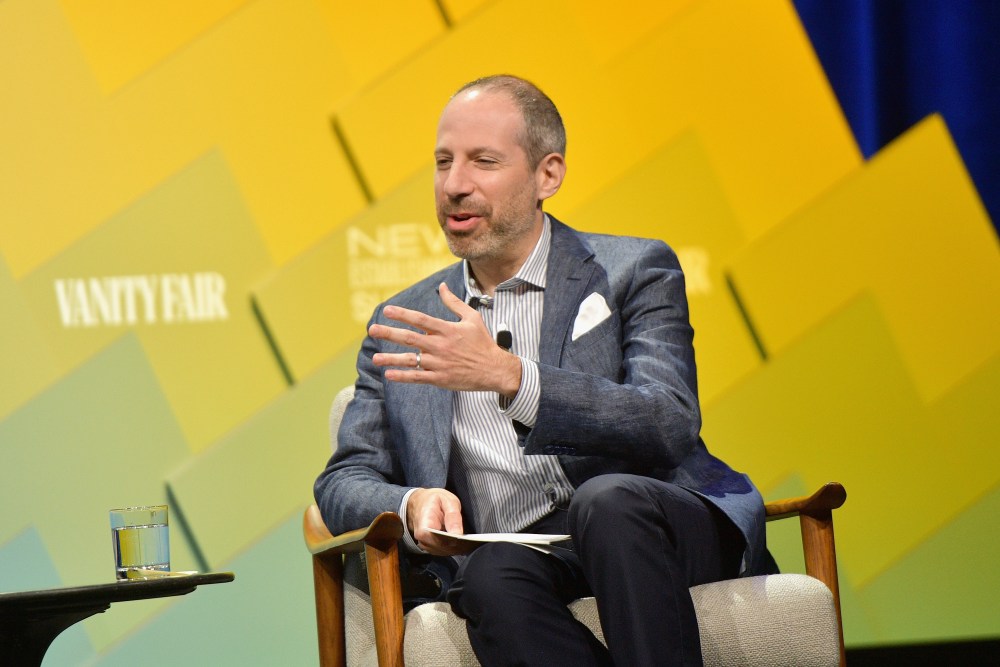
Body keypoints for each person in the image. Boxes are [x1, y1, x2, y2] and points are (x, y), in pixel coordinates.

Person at [315, 74, 771, 667]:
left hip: (649, 525)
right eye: (443, 162)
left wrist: (514, 378)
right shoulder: (407, 321)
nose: (454, 185)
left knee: (605, 503)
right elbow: (343, 479)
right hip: (526, 550)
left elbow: (669, 419)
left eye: (483, 161)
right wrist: (411, 504)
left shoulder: (634, 269)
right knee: (487, 578)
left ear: (547, 175)